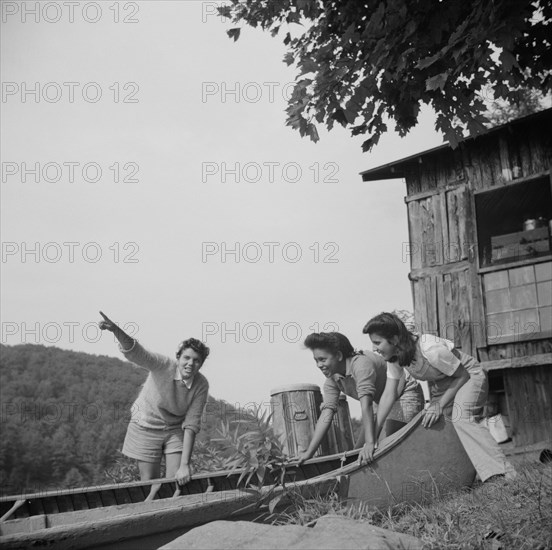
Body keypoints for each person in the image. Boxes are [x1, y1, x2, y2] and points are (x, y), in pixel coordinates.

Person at [363, 312, 516, 482]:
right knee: (430, 428)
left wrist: (438, 405)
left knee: (461, 417)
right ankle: (462, 479)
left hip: (469, 376)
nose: (374, 349)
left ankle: (502, 473)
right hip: (445, 386)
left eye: (377, 343)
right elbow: (388, 395)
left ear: (395, 339)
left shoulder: (430, 348)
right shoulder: (395, 358)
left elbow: (462, 375)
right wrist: (371, 439)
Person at [98, 311, 210, 499]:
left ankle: (174, 521)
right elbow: (138, 353)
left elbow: (191, 424)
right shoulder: (164, 365)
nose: (190, 363)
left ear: (201, 364)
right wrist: (116, 331)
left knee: (177, 481)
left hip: (174, 428)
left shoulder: (201, 384)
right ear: (178, 358)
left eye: (196, 360)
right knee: (150, 485)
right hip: (145, 425)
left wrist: (185, 465)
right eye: (187, 358)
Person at [296, 332, 424, 465]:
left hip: (404, 394)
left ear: (339, 356)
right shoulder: (332, 380)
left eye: (323, 359)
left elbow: (366, 405)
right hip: (380, 403)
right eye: (316, 360)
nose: (319, 365)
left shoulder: (361, 365)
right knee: (356, 455)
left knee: (383, 448)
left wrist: (370, 442)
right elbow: (326, 415)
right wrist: (309, 453)